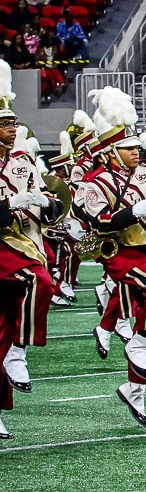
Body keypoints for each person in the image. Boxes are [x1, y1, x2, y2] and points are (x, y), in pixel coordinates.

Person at [75, 88, 146, 427]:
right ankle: (132, 341)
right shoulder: (93, 183)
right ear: (111, 152)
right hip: (121, 253)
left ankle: (135, 388)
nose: (136, 151)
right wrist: (134, 210)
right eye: (128, 148)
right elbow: (99, 222)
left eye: (136, 146)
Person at [0, 98, 59, 439]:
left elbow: (44, 197)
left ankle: (15, 351)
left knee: (2, 333)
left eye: (13, 122)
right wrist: (9, 205)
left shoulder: (24, 161)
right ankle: (19, 349)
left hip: (24, 244)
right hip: (2, 244)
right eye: (4, 123)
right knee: (39, 282)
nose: (12, 128)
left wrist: (48, 205)